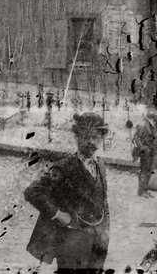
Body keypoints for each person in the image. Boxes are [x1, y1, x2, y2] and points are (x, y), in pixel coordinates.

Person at [24, 111, 112, 271]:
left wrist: (105, 231)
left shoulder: (100, 166)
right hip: (72, 241)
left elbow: (103, 201)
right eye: (87, 136)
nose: (92, 142)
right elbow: (32, 191)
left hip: (98, 242)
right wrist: (58, 214)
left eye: (97, 137)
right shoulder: (63, 167)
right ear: (76, 137)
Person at [131, 114, 157, 198]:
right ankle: (141, 191)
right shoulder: (143, 125)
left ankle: (145, 190)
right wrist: (143, 148)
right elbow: (136, 138)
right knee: (144, 171)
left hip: (150, 152)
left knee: (148, 171)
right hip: (145, 153)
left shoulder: (152, 125)